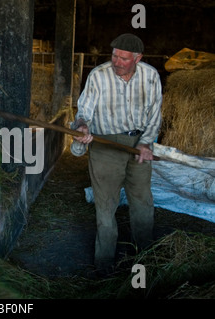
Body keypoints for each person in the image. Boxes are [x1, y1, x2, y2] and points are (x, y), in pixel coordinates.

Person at [70, 33, 163, 275]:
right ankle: (104, 265)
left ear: (138, 58)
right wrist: (82, 126)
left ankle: (146, 256)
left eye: (123, 58)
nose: (117, 62)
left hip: (138, 145)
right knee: (106, 205)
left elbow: (155, 115)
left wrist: (145, 143)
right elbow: (85, 110)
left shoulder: (151, 76)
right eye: (114, 56)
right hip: (106, 143)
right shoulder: (98, 75)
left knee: (143, 201)